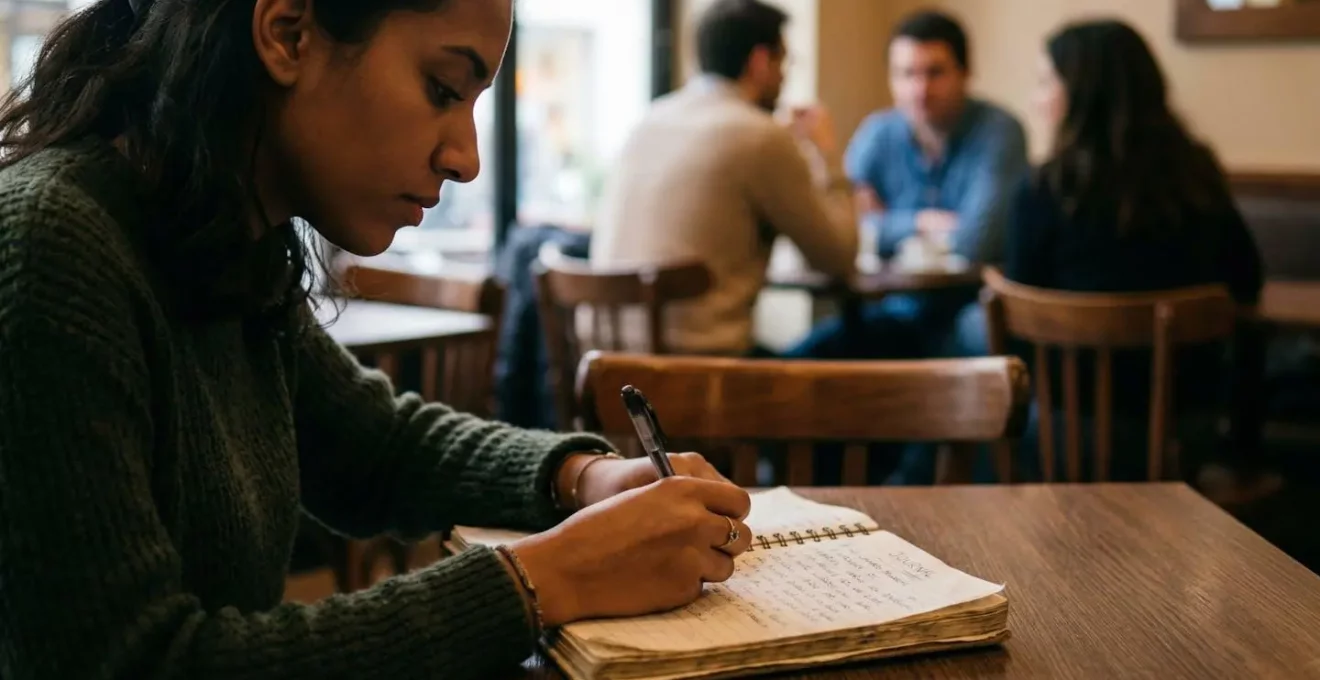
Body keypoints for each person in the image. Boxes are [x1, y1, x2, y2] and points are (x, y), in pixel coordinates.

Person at [0, 2, 755, 678]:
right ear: (288, 33)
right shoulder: (52, 247)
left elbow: (378, 448)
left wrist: (583, 477)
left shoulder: (220, 240)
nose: (467, 157)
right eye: (441, 89)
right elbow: (132, 659)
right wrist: (543, 580)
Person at [1000, 19, 1263, 482]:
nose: (1035, 99)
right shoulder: (1196, 177)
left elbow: (1019, 317)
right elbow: (1247, 281)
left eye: (1045, 82)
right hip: (1186, 433)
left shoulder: (1043, 189)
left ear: (1080, 92)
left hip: (1065, 437)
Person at [587, 0, 857, 357]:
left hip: (606, 371)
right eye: (784, 62)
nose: (784, 76)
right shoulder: (761, 136)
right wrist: (827, 156)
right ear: (760, 61)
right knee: (863, 336)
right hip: (702, 376)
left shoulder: (650, 120)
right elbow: (837, 257)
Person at [786, 10, 1027, 361]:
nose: (920, 89)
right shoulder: (878, 132)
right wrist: (922, 223)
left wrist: (884, 221)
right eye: (906, 74)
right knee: (796, 364)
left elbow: (977, 240)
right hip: (893, 311)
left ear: (965, 72)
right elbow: (844, 227)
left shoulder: (999, 132)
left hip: (966, 313)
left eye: (935, 73)